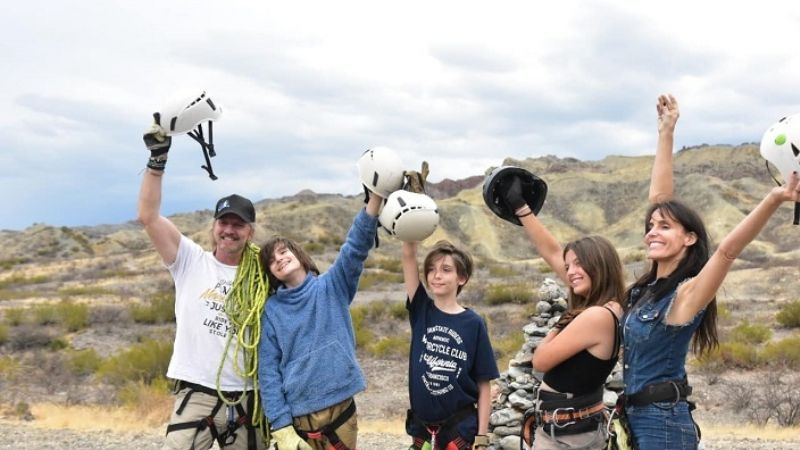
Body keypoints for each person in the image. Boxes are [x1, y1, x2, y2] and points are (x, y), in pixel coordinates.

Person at [621, 94, 800, 449]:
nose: (652, 231)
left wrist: (774, 198)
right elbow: (660, 198)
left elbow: (728, 251)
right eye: (651, 226)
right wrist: (666, 132)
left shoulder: (685, 294)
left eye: (665, 227)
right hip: (635, 419)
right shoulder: (647, 289)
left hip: (664, 425)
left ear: (689, 238)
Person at [138, 119, 266, 450]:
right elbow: (149, 217)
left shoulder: (265, 272)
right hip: (197, 390)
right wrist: (157, 162)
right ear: (214, 227)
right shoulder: (190, 261)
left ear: (249, 232)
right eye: (224, 222)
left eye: (239, 225)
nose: (230, 230)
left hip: (249, 396)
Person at [501, 177, 625, 450]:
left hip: (566, 439)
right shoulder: (611, 306)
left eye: (580, 264)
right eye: (568, 267)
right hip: (569, 431)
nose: (570, 272)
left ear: (600, 264)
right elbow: (552, 251)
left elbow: (541, 360)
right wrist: (521, 208)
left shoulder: (595, 316)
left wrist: (564, 319)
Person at [256, 191, 383, 450]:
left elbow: (355, 248)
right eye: (272, 260)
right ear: (271, 272)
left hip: (341, 413)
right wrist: (281, 427)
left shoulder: (332, 287)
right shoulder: (271, 310)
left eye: (283, 251)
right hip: (299, 421)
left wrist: (376, 200)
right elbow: (268, 371)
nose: (279, 259)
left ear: (299, 255)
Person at [400, 239, 500, 450]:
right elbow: (408, 256)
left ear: (461, 278)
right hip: (422, 430)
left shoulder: (473, 324)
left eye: (446, 270)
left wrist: (481, 436)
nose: (436, 275)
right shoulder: (421, 311)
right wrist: (409, 231)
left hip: (459, 430)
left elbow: (483, 384)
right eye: (431, 270)